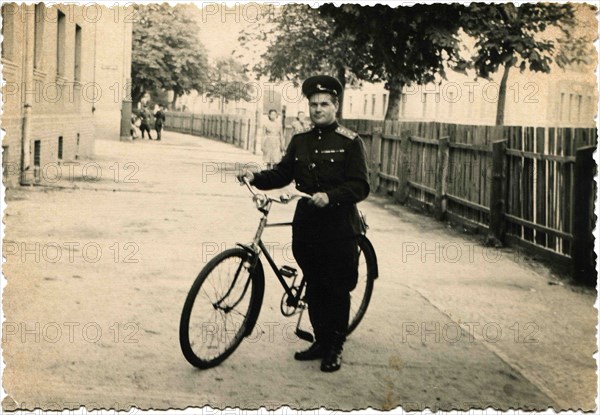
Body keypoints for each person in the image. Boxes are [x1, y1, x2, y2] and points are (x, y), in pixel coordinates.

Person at [237, 75, 370, 372]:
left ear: (335, 106)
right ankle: (320, 341)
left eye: (324, 104)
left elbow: (360, 186)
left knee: (336, 288)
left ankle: (335, 346)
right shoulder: (300, 141)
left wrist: (330, 196)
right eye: (313, 104)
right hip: (307, 228)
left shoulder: (350, 142)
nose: (318, 109)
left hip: (339, 228)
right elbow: (282, 174)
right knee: (315, 285)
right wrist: (255, 177)